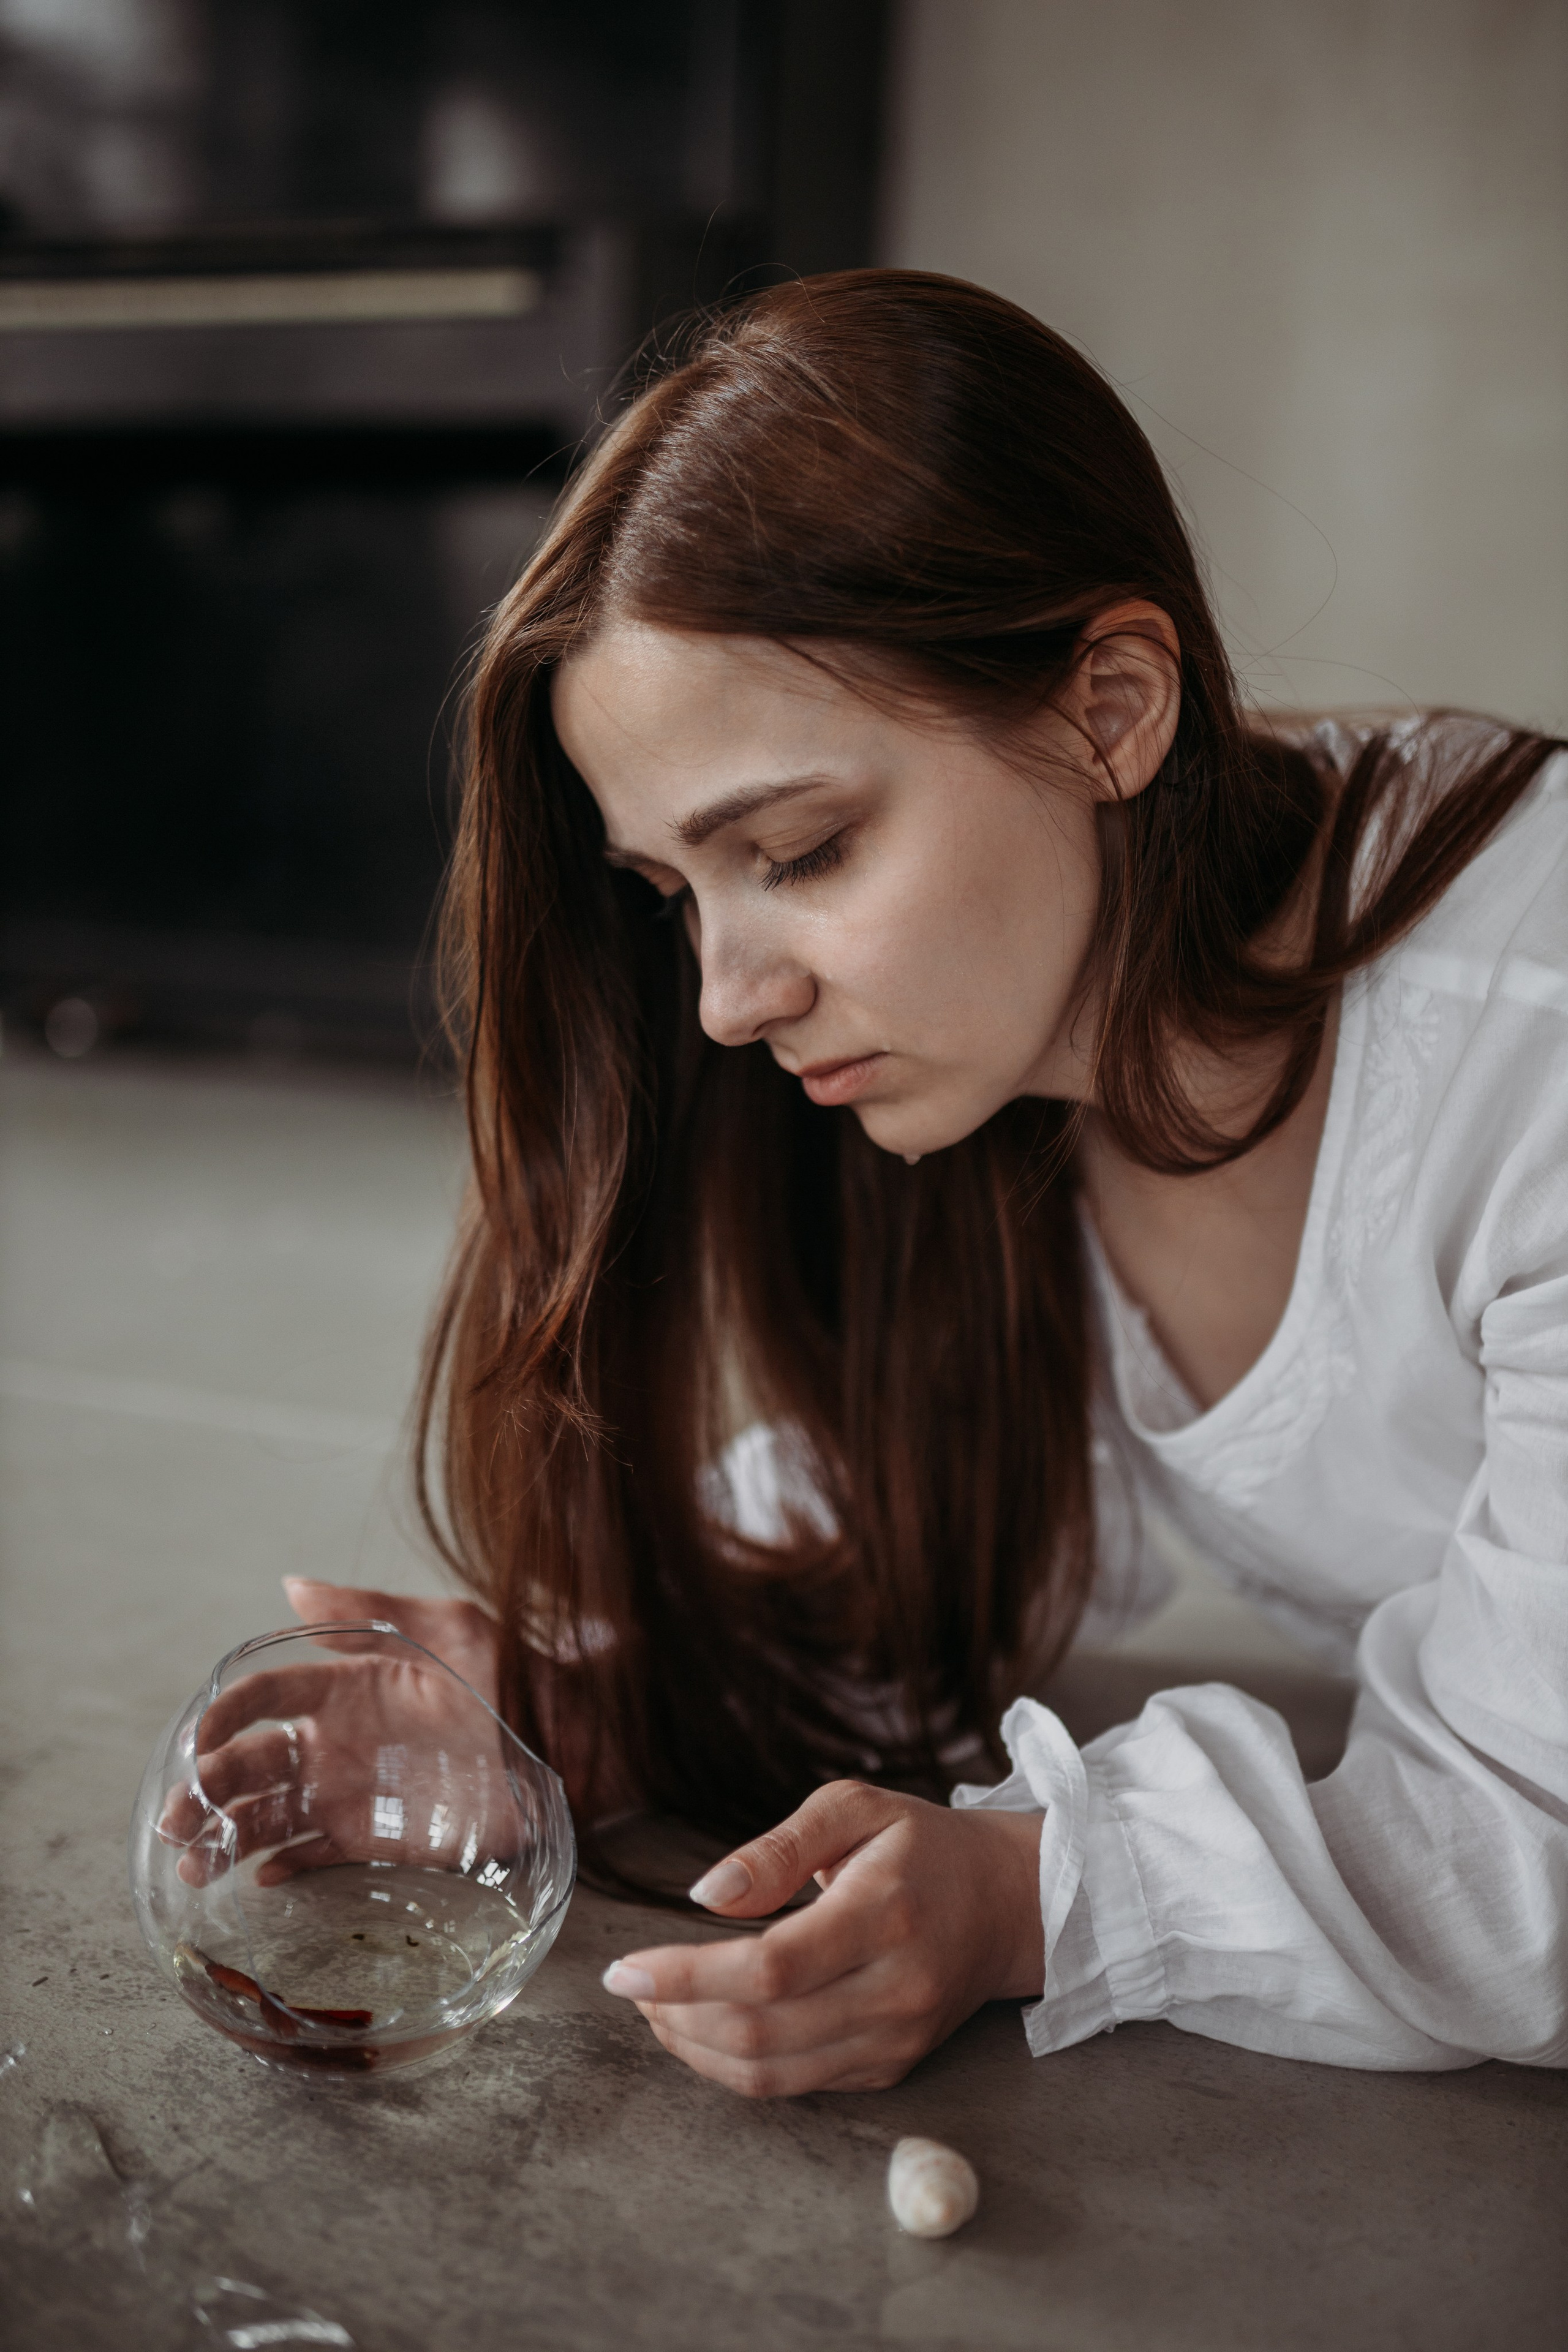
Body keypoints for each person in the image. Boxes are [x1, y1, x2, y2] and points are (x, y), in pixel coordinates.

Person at [285, 270, 1568, 2094]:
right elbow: (940, 1497)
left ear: (1113, 705)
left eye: (799, 851)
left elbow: (1543, 1855)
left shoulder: (1538, 1048)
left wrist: (1045, 1891)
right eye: (676, 895)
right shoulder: (1030, 1058)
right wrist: (600, 1684)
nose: (730, 1000)